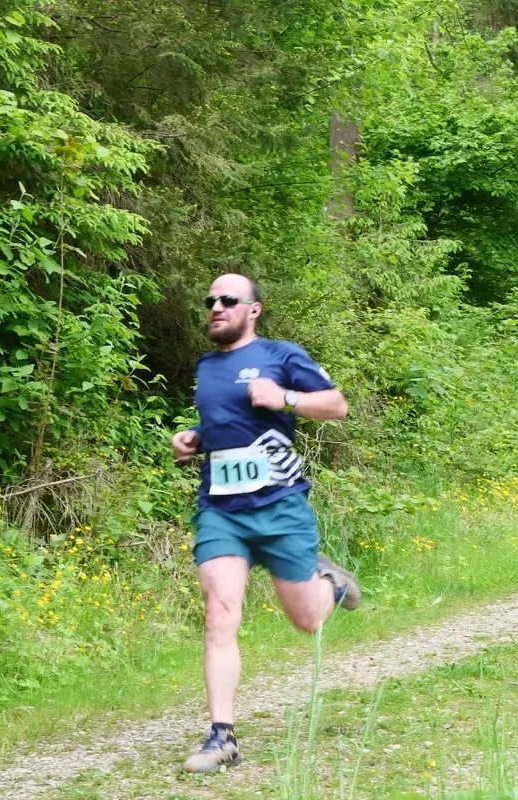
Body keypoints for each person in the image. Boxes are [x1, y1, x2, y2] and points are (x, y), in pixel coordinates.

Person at [171, 274, 361, 774]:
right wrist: (192, 439)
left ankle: (331, 583)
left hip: (279, 507)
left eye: (228, 300)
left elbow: (337, 406)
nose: (216, 306)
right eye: (210, 300)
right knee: (219, 612)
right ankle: (222, 737)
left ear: (252, 310)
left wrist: (286, 399)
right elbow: (225, 423)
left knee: (307, 621)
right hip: (221, 511)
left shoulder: (282, 355)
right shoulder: (207, 367)